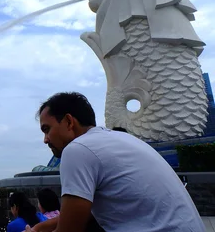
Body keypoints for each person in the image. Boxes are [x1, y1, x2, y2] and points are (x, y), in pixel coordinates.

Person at [28, 92, 204, 232]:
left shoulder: (77, 149)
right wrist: (43, 226)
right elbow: (85, 214)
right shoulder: (121, 139)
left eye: (47, 129)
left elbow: (70, 229)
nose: (45, 140)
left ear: (68, 121)